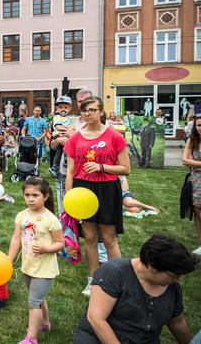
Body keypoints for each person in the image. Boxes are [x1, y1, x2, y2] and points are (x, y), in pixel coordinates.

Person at [73, 235, 197, 343]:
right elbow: (96, 319)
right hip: (99, 339)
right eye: (173, 275)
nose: (177, 280)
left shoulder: (172, 286)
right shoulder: (114, 273)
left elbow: (176, 322)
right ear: (152, 266)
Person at [64, 96, 131, 296]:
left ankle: (119, 281)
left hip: (107, 188)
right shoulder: (75, 137)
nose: (88, 114)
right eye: (84, 111)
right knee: (90, 238)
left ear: (101, 111)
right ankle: (93, 281)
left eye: (92, 110)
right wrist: (69, 198)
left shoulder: (114, 136)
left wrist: (102, 166)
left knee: (109, 238)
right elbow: (70, 171)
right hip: (82, 191)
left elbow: (126, 169)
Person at [7, 177, 64, 344]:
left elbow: (61, 243)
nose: (30, 199)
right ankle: (44, 323)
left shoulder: (51, 219)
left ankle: (31, 338)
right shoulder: (21, 215)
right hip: (28, 265)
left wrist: (46, 249)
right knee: (38, 298)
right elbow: (16, 239)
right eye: (27, 195)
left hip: (44, 268)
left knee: (33, 302)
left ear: (45, 196)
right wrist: (9, 259)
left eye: (35, 195)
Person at [182, 115, 201, 255]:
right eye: (199, 125)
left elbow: (190, 161)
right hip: (195, 181)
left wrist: (194, 163)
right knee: (197, 212)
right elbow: (184, 160)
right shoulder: (192, 140)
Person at [49, 96, 73, 177]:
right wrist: (68, 130)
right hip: (58, 136)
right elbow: (58, 127)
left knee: (62, 151)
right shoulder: (57, 117)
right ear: (57, 109)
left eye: (66, 107)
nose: (63, 109)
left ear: (70, 108)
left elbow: (73, 128)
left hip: (65, 136)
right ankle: (56, 166)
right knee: (61, 150)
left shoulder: (68, 119)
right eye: (60, 107)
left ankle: (56, 167)